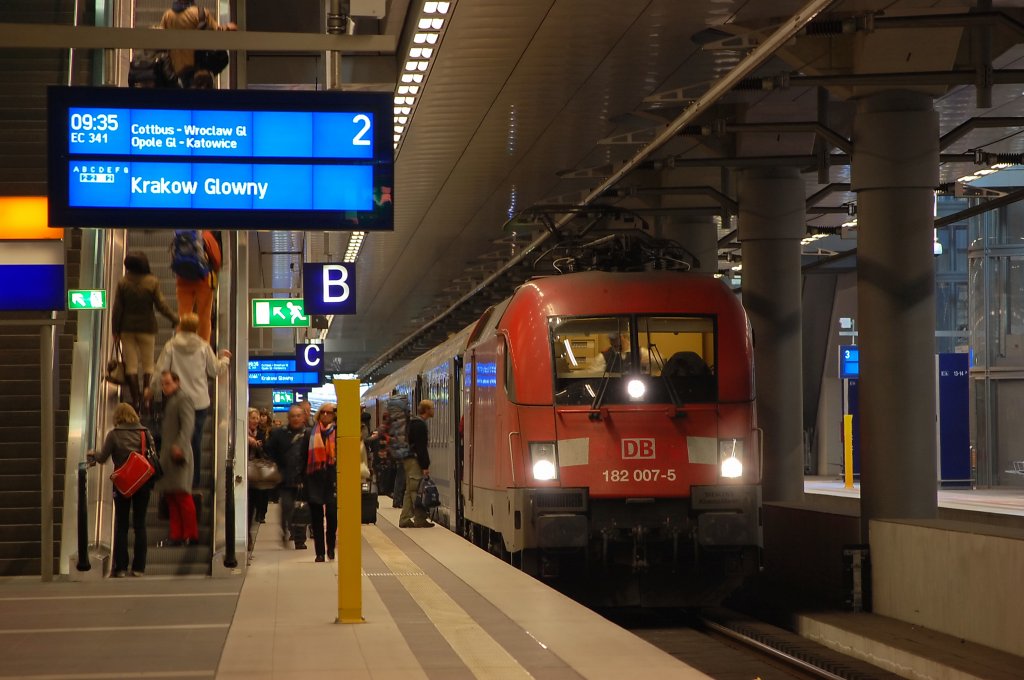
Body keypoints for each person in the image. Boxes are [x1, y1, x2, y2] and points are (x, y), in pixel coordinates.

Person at [149, 313, 230, 488]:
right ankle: (193, 483)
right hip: (199, 402)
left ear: (180, 327)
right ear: (196, 328)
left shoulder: (171, 346)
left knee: (173, 439)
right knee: (194, 442)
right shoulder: (203, 346)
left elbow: (161, 370)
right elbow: (215, 370)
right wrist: (225, 359)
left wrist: (153, 389)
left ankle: (172, 479)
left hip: (176, 401)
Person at [88, 403, 155, 577]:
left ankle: (121, 568)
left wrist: (92, 453)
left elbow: (102, 458)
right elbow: (154, 455)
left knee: (122, 525)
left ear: (117, 417)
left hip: (122, 484)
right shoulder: (145, 433)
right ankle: (139, 568)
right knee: (140, 525)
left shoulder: (114, 435)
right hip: (142, 483)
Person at [110, 252, 178, 412]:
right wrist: (175, 319)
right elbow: (161, 305)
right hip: (147, 329)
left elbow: (117, 309)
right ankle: (147, 399)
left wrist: (115, 330)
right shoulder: (152, 282)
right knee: (148, 365)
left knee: (131, 366)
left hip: (127, 329)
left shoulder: (123, 282)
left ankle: (136, 401)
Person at [154, 370, 198, 546]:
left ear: (177, 382)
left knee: (182, 495)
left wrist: (179, 445)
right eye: (163, 384)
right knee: (172, 496)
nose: (165, 387)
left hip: (179, 455)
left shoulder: (183, 399)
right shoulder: (171, 401)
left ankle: (190, 534)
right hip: (168, 455)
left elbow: (188, 425)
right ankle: (177, 534)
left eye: (168, 383)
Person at [263, 404, 311, 549]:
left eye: (298, 416)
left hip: (304, 477)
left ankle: (299, 540)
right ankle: (286, 530)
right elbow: (268, 449)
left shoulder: (309, 434)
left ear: (303, 418)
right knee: (288, 506)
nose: (296, 419)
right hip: (285, 478)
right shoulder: (279, 434)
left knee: (302, 509)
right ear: (288, 418)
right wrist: (277, 464)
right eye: (293, 416)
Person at [160, 0, 236, 88]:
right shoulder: (200, 13)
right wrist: (228, 27)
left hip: (176, 73)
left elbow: (161, 38)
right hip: (198, 74)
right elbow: (216, 33)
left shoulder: (168, 15)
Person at [172, 229, 221, 344]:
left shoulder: (179, 235)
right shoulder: (206, 235)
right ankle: (203, 345)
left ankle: (181, 343)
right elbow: (217, 259)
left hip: (182, 280)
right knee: (204, 316)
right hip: (203, 280)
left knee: (183, 315)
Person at [306, 403, 338, 562]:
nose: (326, 415)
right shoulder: (310, 433)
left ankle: (331, 547)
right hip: (314, 479)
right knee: (316, 519)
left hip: (332, 480)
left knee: (332, 516)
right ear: (319, 414)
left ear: (334, 415)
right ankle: (319, 553)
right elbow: (302, 458)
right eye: (323, 412)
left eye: (329, 413)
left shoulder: (338, 434)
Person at [400, 399, 435, 529]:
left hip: (409, 459)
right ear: (426, 410)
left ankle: (404, 518)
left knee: (410, 490)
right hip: (414, 460)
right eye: (432, 408)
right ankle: (420, 518)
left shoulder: (414, 423)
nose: (434, 410)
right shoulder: (419, 425)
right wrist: (425, 465)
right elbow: (421, 448)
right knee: (416, 489)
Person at [246, 407, 270, 538]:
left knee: (260, 495)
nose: (255, 421)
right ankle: (247, 533)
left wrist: (259, 446)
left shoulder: (262, 433)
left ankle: (261, 513)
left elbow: (266, 452)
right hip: (245, 471)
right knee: (249, 502)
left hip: (258, 470)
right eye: (253, 418)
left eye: (257, 418)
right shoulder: (242, 433)